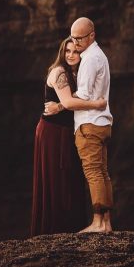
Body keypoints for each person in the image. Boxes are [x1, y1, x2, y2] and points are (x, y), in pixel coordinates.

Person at [31, 37, 107, 236]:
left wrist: (62, 106)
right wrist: (97, 105)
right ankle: (55, 230)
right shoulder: (59, 72)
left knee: (70, 177)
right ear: (62, 53)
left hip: (68, 131)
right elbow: (69, 101)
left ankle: (72, 227)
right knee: (57, 178)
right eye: (68, 51)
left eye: (76, 51)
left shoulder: (78, 73)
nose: (72, 55)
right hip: (52, 132)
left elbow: (70, 101)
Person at [45, 17, 114, 232]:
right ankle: (107, 223)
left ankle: (97, 222)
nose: (75, 43)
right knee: (103, 172)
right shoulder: (97, 55)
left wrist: (60, 106)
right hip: (101, 122)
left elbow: (82, 95)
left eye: (78, 38)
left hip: (89, 124)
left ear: (91, 35)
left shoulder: (90, 59)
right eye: (72, 38)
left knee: (93, 173)